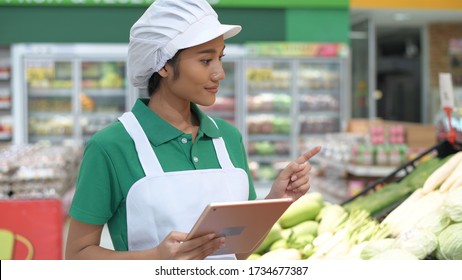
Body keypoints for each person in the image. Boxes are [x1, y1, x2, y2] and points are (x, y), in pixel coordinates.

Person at [65, 0, 321, 260]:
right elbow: (77, 256)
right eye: (206, 60)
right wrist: (155, 257)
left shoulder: (228, 138)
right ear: (163, 65)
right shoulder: (110, 146)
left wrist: (276, 200)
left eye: (220, 58)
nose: (219, 73)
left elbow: (238, 253)